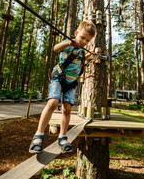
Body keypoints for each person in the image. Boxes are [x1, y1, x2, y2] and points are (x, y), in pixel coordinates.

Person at [29, 20, 96, 154]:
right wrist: (70, 42)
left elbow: (80, 60)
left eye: (87, 41)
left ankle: (63, 137)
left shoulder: (82, 51)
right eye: (82, 38)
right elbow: (56, 48)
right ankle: (38, 136)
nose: (84, 42)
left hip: (71, 82)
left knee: (67, 108)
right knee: (53, 102)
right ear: (76, 33)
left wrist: (89, 56)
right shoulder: (69, 44)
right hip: (59, 77)